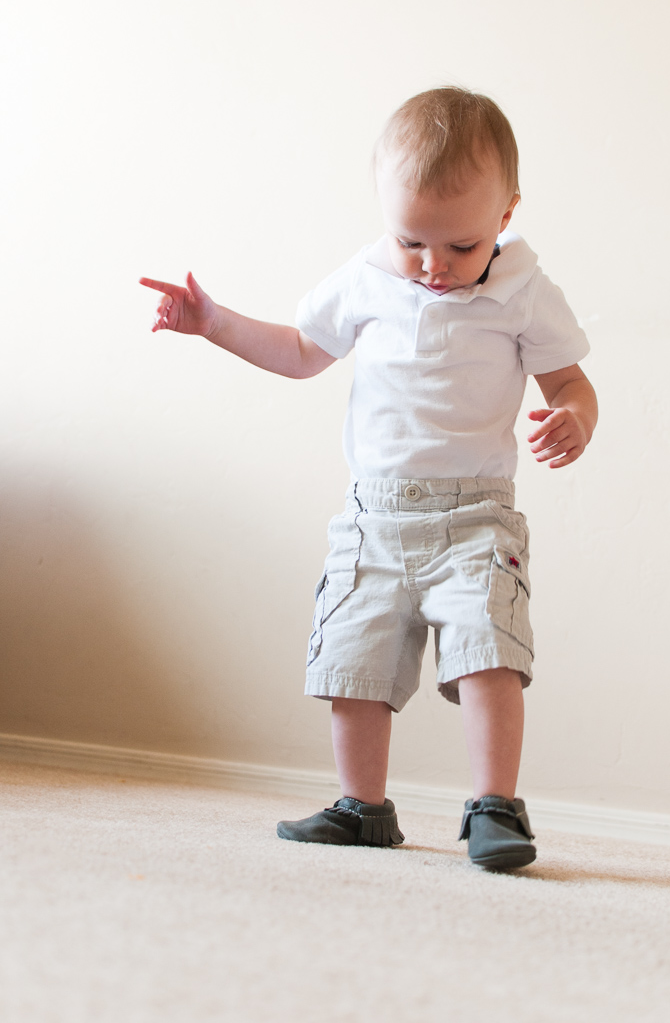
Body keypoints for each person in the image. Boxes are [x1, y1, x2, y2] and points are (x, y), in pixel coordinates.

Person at [141, 87, 597, 871]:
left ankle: (494, 806)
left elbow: (570, 383)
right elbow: (298, 352)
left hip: (476, 517)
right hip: (373, 517)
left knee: (489, 654)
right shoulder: (366, 277)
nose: (433, 267)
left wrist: (576, 419)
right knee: (355, 663)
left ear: (506, 215)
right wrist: (212, 323)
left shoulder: (523, 292)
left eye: (459, 246)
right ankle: (363, 806)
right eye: (412, 241)